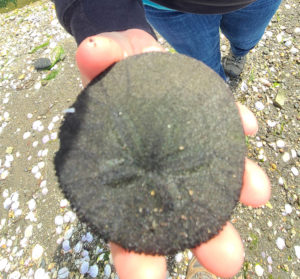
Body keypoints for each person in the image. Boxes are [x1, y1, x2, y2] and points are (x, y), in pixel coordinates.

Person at [53, 0, 279, 278]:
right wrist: (107, 15)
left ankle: (239, 53)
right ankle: (219, 77)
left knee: (246, 38)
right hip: (170, 8)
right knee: (205, 65)